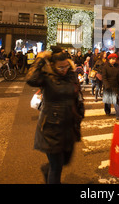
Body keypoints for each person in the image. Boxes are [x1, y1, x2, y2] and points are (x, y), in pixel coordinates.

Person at [26, 46, 84, 184]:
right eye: (60, 67)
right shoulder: (46, 77)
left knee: (65, 161)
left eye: (66, 66)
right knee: (57, 167)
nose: (63, 70)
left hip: (69, 126)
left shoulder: (71, 74)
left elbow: (77, 95)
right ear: (52, 65)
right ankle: (51, 173)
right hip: (51, 128)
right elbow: (30, 79)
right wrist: (40, 58)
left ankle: (48, 170)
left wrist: (80, 114)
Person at [102, 53, 119, 121]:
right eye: (112, 59)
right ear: (109, 59)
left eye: (115, 59)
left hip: (115, 86)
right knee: (107, 101)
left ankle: (118, 115)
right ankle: (107, 111)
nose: (114, 61)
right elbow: (104, 78)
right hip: (108, 86)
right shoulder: (105, 67)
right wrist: (106, 85)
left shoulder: (117, 66)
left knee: (116, 101)